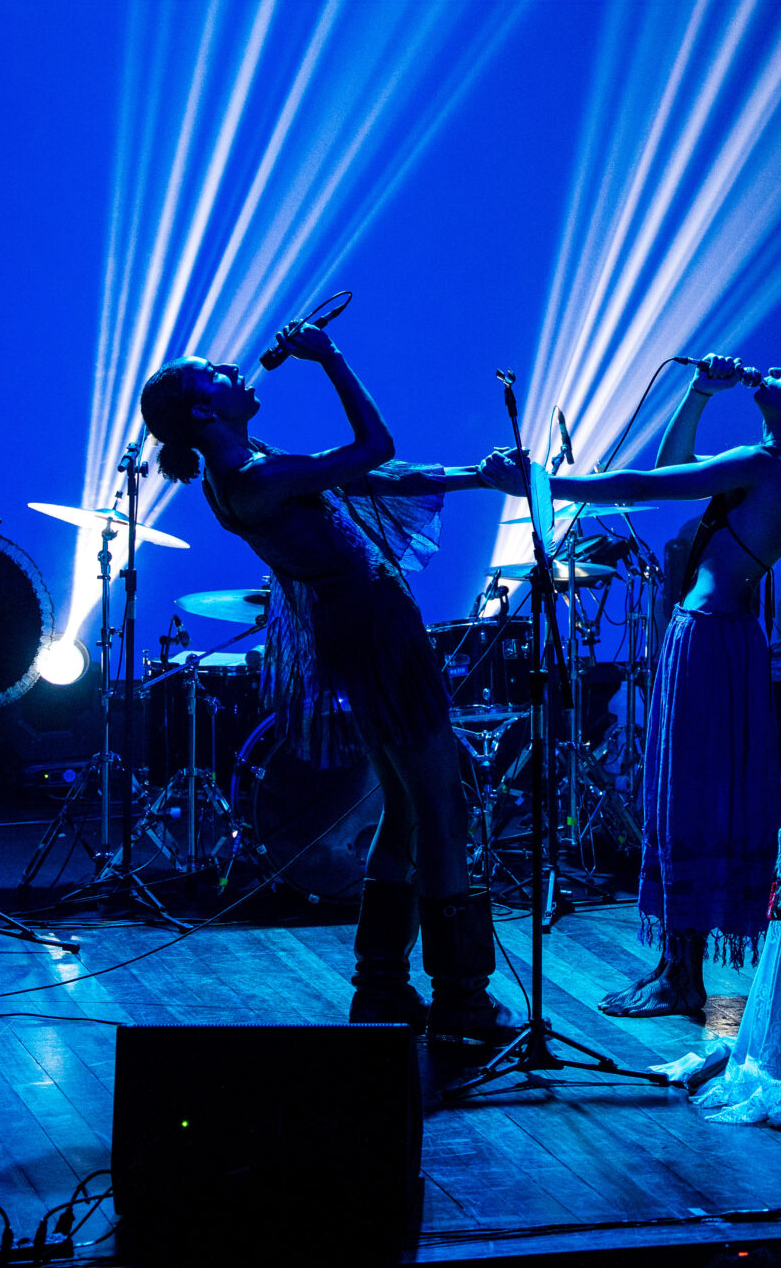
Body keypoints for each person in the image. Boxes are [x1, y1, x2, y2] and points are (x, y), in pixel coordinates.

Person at [481, 348, 781, 1018]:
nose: (771, 371)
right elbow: (676, 471)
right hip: (717, 640)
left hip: (709, 641)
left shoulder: (766, 464)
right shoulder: (777, 466)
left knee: (689, 797)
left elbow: (644, 485)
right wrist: (699, 392)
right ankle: (676, 967)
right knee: (688, 796)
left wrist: (539, 486)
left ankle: (683, 976)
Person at [139, 324, 512, 1042]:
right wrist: (331, 357)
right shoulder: (253, 477)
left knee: (405, 805)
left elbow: (364, 476)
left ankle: (380, 987)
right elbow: (373, 449)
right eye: (211, 373)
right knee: (440, 806)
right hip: (377, 631)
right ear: (202, 412)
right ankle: (463, 998)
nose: (230, 368)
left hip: (359, 629)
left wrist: (474, 476)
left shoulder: (245, 469)